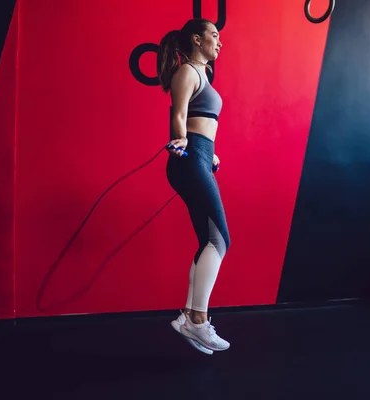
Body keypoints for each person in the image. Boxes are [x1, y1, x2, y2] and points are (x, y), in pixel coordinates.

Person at [157, 18, 230, 355]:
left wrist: (208, 154)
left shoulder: (204, 74)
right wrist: (182, 140)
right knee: (219, 240)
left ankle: (189, 317)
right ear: (197, 39)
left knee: (208, 241)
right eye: (214, 36)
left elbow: (203, 121)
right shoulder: (187, 72)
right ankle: (197, 321)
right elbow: (179, 114)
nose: (219, 42)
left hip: (199, 156)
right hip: (189, 157)